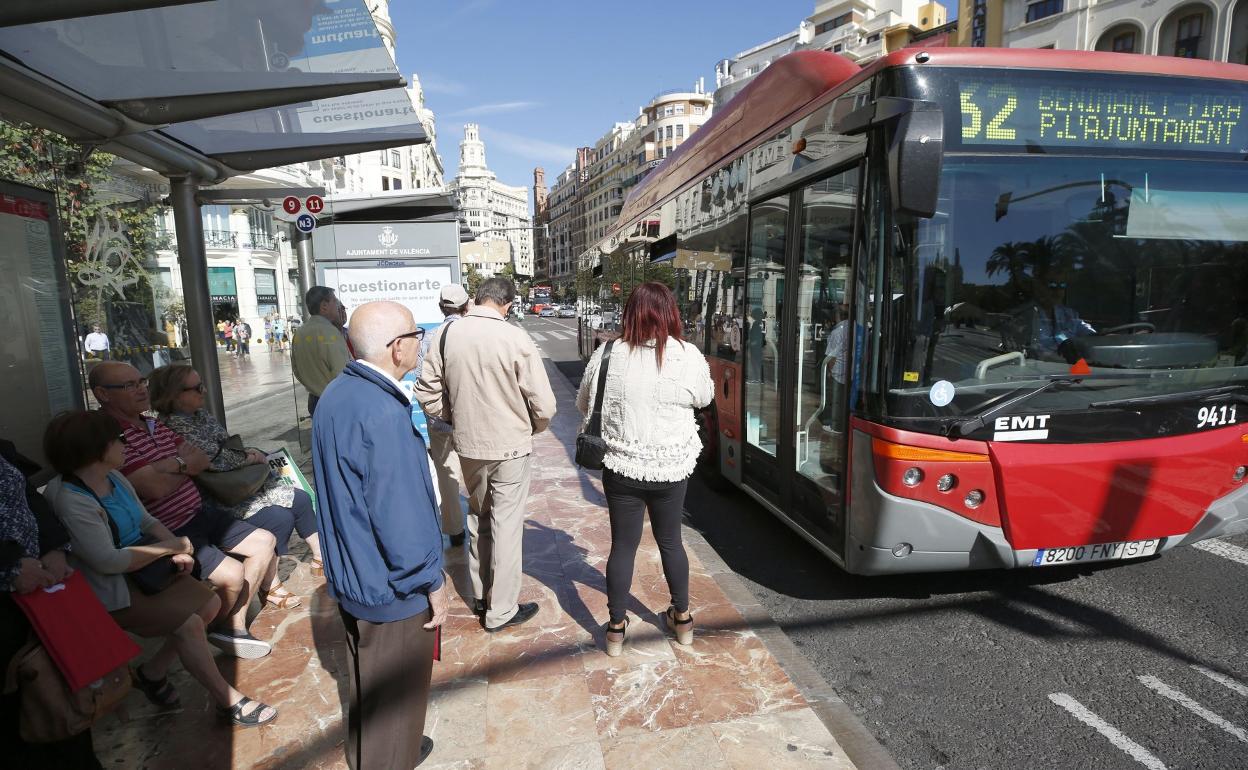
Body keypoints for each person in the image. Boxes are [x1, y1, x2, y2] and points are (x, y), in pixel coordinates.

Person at [41, 412, 277, 727]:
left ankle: (152, 672)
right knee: (190, 624)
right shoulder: (71, 500)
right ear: (97, 449)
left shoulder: (113, 477)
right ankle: (228, 700)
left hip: (144, 568)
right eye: (120, 440)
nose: (127, 445)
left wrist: (179, 549)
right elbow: (107, 561)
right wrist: (171, 548)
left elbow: (146, 520)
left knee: (209, 603)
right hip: (113, 587)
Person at [312, 301, 448, 770]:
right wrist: (432, 583)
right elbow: (401, 520)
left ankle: (370, 755)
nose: (420, 342)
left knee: (368, 685)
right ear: (396, 347)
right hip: (390, 588)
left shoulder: (337, 393)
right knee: (396, 702)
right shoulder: (382, 415)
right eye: (416, 334)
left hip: (356, 576)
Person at [90, 362, 277, 659]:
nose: (141, 389)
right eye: (129, 385)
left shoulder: (152, 422)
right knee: (232, 574)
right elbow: (152, 488)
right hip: (168, 527)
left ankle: (232, 626)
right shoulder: (108, 434)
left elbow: (200, 458)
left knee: (265, 542)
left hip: (199, 513)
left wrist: (168, 467)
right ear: (102, 394)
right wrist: (181, 465)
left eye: (141, 381)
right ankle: (175, 656)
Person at [576, 282, 713, 656]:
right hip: (672, 465)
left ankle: (616, 628)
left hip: (621, 464)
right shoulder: (688, 354)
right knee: (671, 541)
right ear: (670, 313)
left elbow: (585, 403)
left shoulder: (608, 353)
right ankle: (682, 619)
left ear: (630, 314)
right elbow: (705, 397)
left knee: (623, 545)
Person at [416, 277, 556, 632]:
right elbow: (545, 403)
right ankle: (501, 610)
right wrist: (534, 426)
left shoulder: (446, 335)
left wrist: (450, 417)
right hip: (510, 445)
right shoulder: (515, 337)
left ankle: (481, 594)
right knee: (507, 525)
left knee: (479, 515)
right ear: (506, 305)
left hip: (468, 445)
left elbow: (427, 391)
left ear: (477, 299)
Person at [148, 364, 322, 590]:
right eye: (197, 388)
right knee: (279, 518)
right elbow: (213, 459)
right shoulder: (174, 425)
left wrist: (251, 454)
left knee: (300, 498)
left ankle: (320, 559)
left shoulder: (199, 415)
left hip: (236, 484)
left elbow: (226, 447)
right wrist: (251, 457)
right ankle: (268, 585)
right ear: (175, 395)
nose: (204, 391)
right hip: (219, 495)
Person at [1, 440, 102, 768]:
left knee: (61, 688)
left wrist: (53, 548)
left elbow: (28, 496)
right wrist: (9, 565)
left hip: (37, 589)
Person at [405, 284, 469, 549]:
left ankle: (454, 529)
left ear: (441, 308)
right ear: (467, 306)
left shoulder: (428, 338)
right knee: (480, 471)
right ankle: (484, 525)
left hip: (440, 421)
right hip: (473, 416)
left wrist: (439, 414)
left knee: (447, 472)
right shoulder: (474, 334)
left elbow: (421, 381)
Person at [1006, 273, 1096, 363]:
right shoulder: (1024, 315)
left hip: (1074, 369)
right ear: (1038, 288)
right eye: (1052, 285)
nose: (1058, 291)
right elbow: (1034, 350)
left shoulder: (1069, 313)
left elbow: (1087, 332)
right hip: (1038, 370)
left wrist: (1103, 335)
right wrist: (1066, 353)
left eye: (1062, 286)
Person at [291, 286, 351, 417]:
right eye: (335, 301)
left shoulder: (300, 333)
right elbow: (343, 373)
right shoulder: (330, 333)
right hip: (336, 402)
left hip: (315, 400)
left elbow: (296, 369)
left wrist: (313, 386)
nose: (337, 306)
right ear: (324, 306)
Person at [821, 303, 850, 433]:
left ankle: (836, 426)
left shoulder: (837, 332)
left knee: (837, 400)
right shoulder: (854, 327)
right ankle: (844, 423)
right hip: (850, 371)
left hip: (838, 371)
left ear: (838, 315)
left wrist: (829, 371)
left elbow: (831, 356)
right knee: (845, 399)